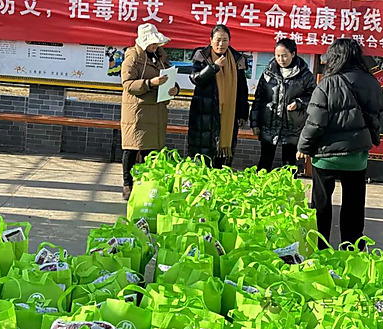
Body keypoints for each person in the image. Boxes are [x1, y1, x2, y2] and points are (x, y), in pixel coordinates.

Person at [297, 38, 383, 250]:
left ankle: (320, 248)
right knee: (354, 205)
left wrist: (303, 147)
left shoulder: (327, 83)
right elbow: (379, 113)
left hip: (325, 156)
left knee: (321, 203)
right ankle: (351, 250)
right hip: (356, 156)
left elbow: (315, 121)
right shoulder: (371, 82)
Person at [120, 23, 179, 200]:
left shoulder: (161, 57)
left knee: (151, 151)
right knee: (132, 149)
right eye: (152, 43)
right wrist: (150, 83)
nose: (155, 46)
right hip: (137, 111)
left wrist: (175, 89)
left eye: (156, 43)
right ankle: (127, 184)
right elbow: (128, 84)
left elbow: (170, 79)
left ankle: (146, 184)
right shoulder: (132, 57)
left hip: (157, 111)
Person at [187, 24, 249, 168]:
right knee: (203, 158)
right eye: (218, 40)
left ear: (229, 41)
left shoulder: (236, 59)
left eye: (225, 40)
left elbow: (242, 89)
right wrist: (214, 67)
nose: (221, 44)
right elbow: (195, 78)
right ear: (211, 40)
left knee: (222, 158)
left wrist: (242, 113)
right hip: (204, 115)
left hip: (228, 115)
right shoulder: (202, 56)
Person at [250, 38, 316, 172]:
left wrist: (299, 103)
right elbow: (259, 99)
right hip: (269, 124)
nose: (281, 59)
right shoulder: (268, 73)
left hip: (292, 126)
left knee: (289, 164)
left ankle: (290, 186)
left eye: (285, 55)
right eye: (278, 55)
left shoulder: (304, 75)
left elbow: (313, 97)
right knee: (264, 162)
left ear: (293, 54)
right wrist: (255, 123)